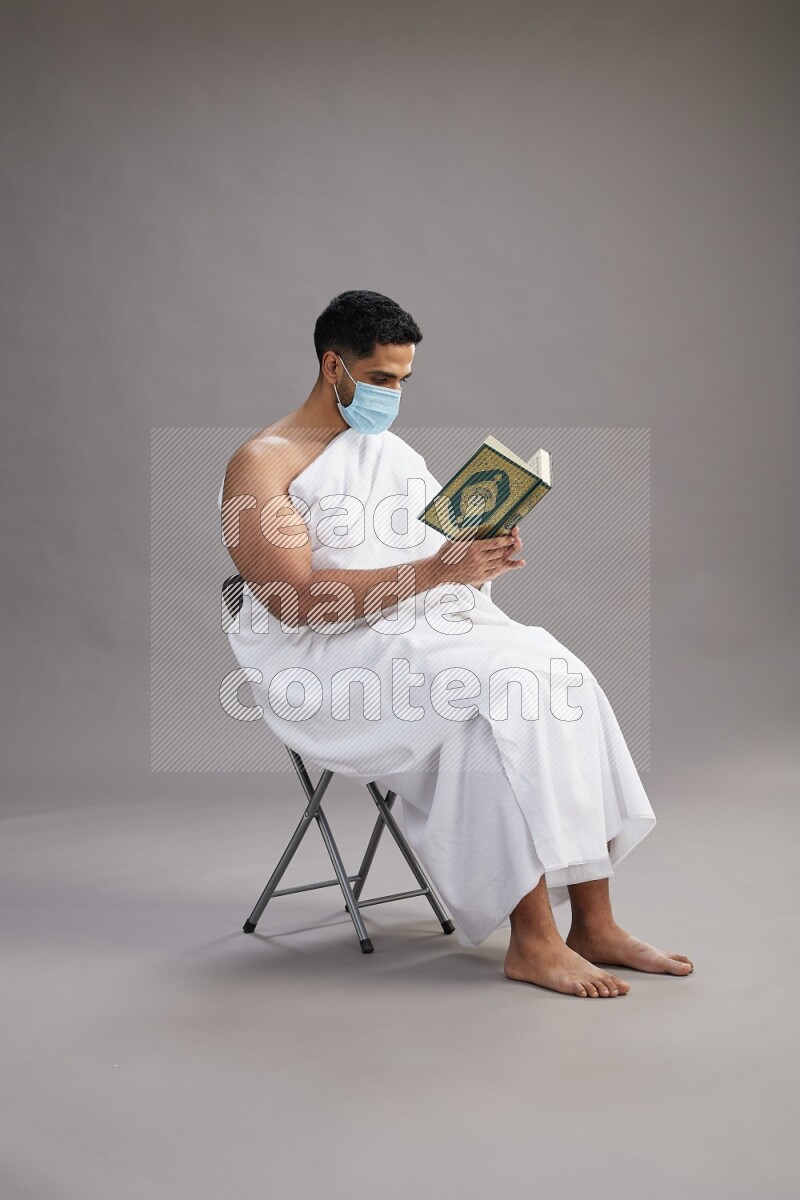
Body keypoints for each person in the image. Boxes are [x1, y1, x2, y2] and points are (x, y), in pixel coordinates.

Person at [219, 290, 694, 998]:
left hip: (415, 628)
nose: (393, 395)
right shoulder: (261, 464)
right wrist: (439, 571)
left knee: (559, 673)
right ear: (332, 367)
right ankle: (531, 940)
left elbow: (433, 557)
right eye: (381, 378)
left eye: (404, 381)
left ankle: (593, 922)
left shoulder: (385, 451)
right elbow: (297, 601)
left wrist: (477, 560)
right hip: (326, 661)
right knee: (491, 704)